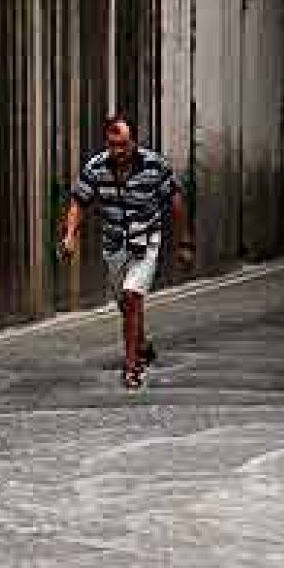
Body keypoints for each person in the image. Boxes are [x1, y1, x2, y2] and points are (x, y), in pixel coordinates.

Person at [59, 115, 194, 389]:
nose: (117, 152)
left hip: (146, 241)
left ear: (133, 141)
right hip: (114, 244)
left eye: (122, 145)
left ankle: (132, 367)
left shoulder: (155, 166)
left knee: (133, 297)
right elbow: (79, 202)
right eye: (112, 145)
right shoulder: (96, 168)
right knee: (125, 303)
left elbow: (176, 203)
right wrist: (70, 235)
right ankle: (142, 343)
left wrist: (185, 242)